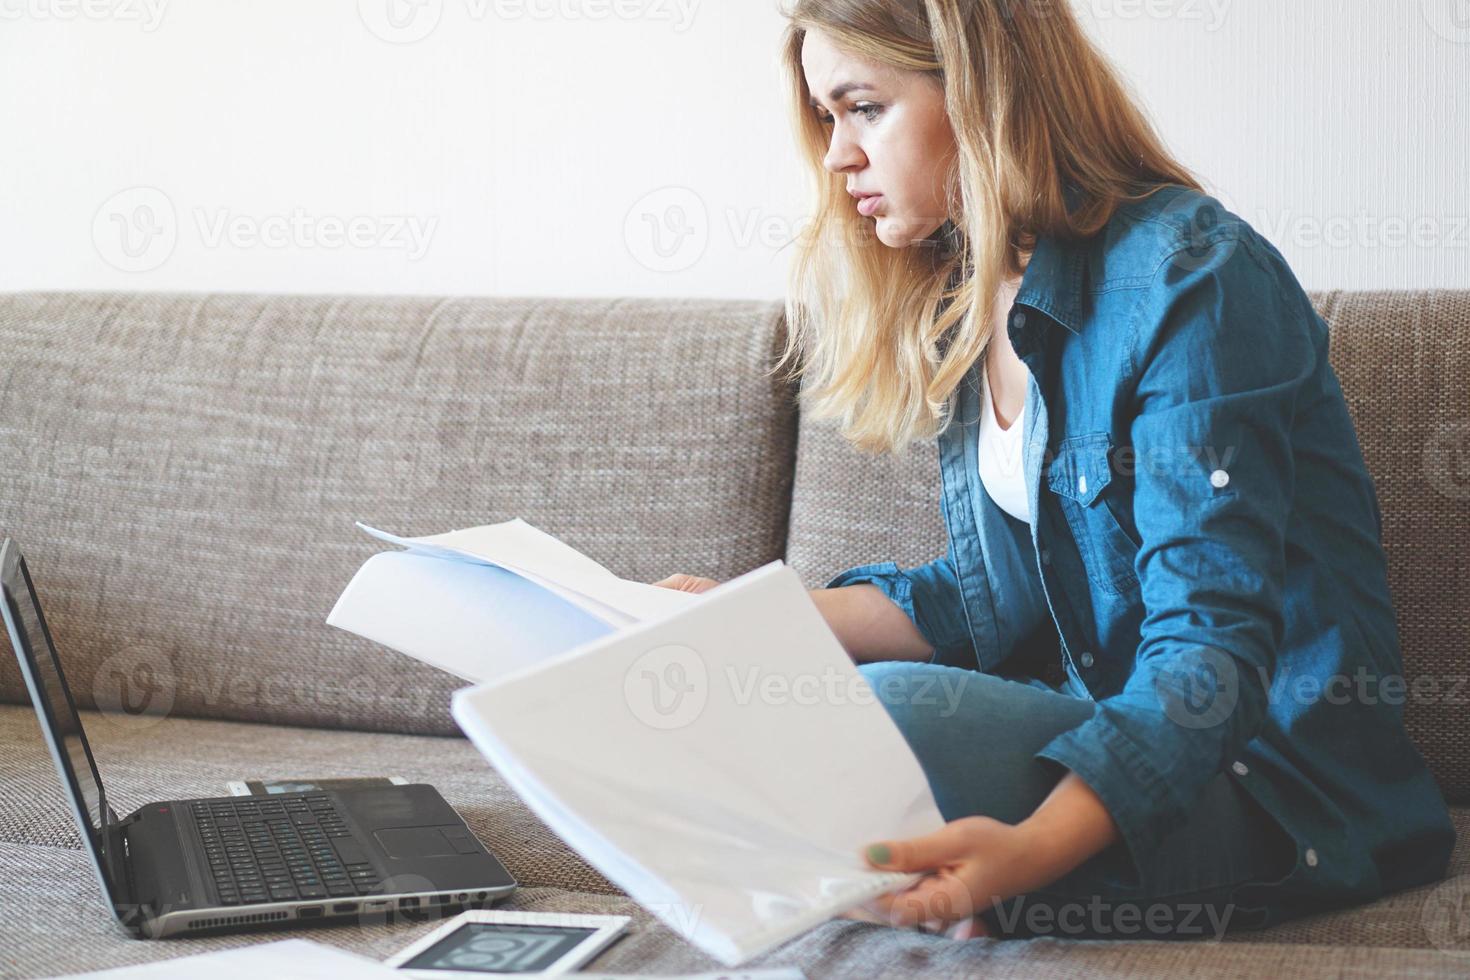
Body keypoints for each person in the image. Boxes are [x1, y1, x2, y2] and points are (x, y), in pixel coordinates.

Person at [655, 0, 1455, 942]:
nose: (836, 156)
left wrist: (1031, 851)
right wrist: (749, 616)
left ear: (984, 91)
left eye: (863, 107)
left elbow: (1209, 652)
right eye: (827, 119)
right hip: (1107, 723)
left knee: (888, 716)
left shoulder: (1192, 276)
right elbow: (1001, 597)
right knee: (780, 706)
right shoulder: (977, 291)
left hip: (1275, 784)